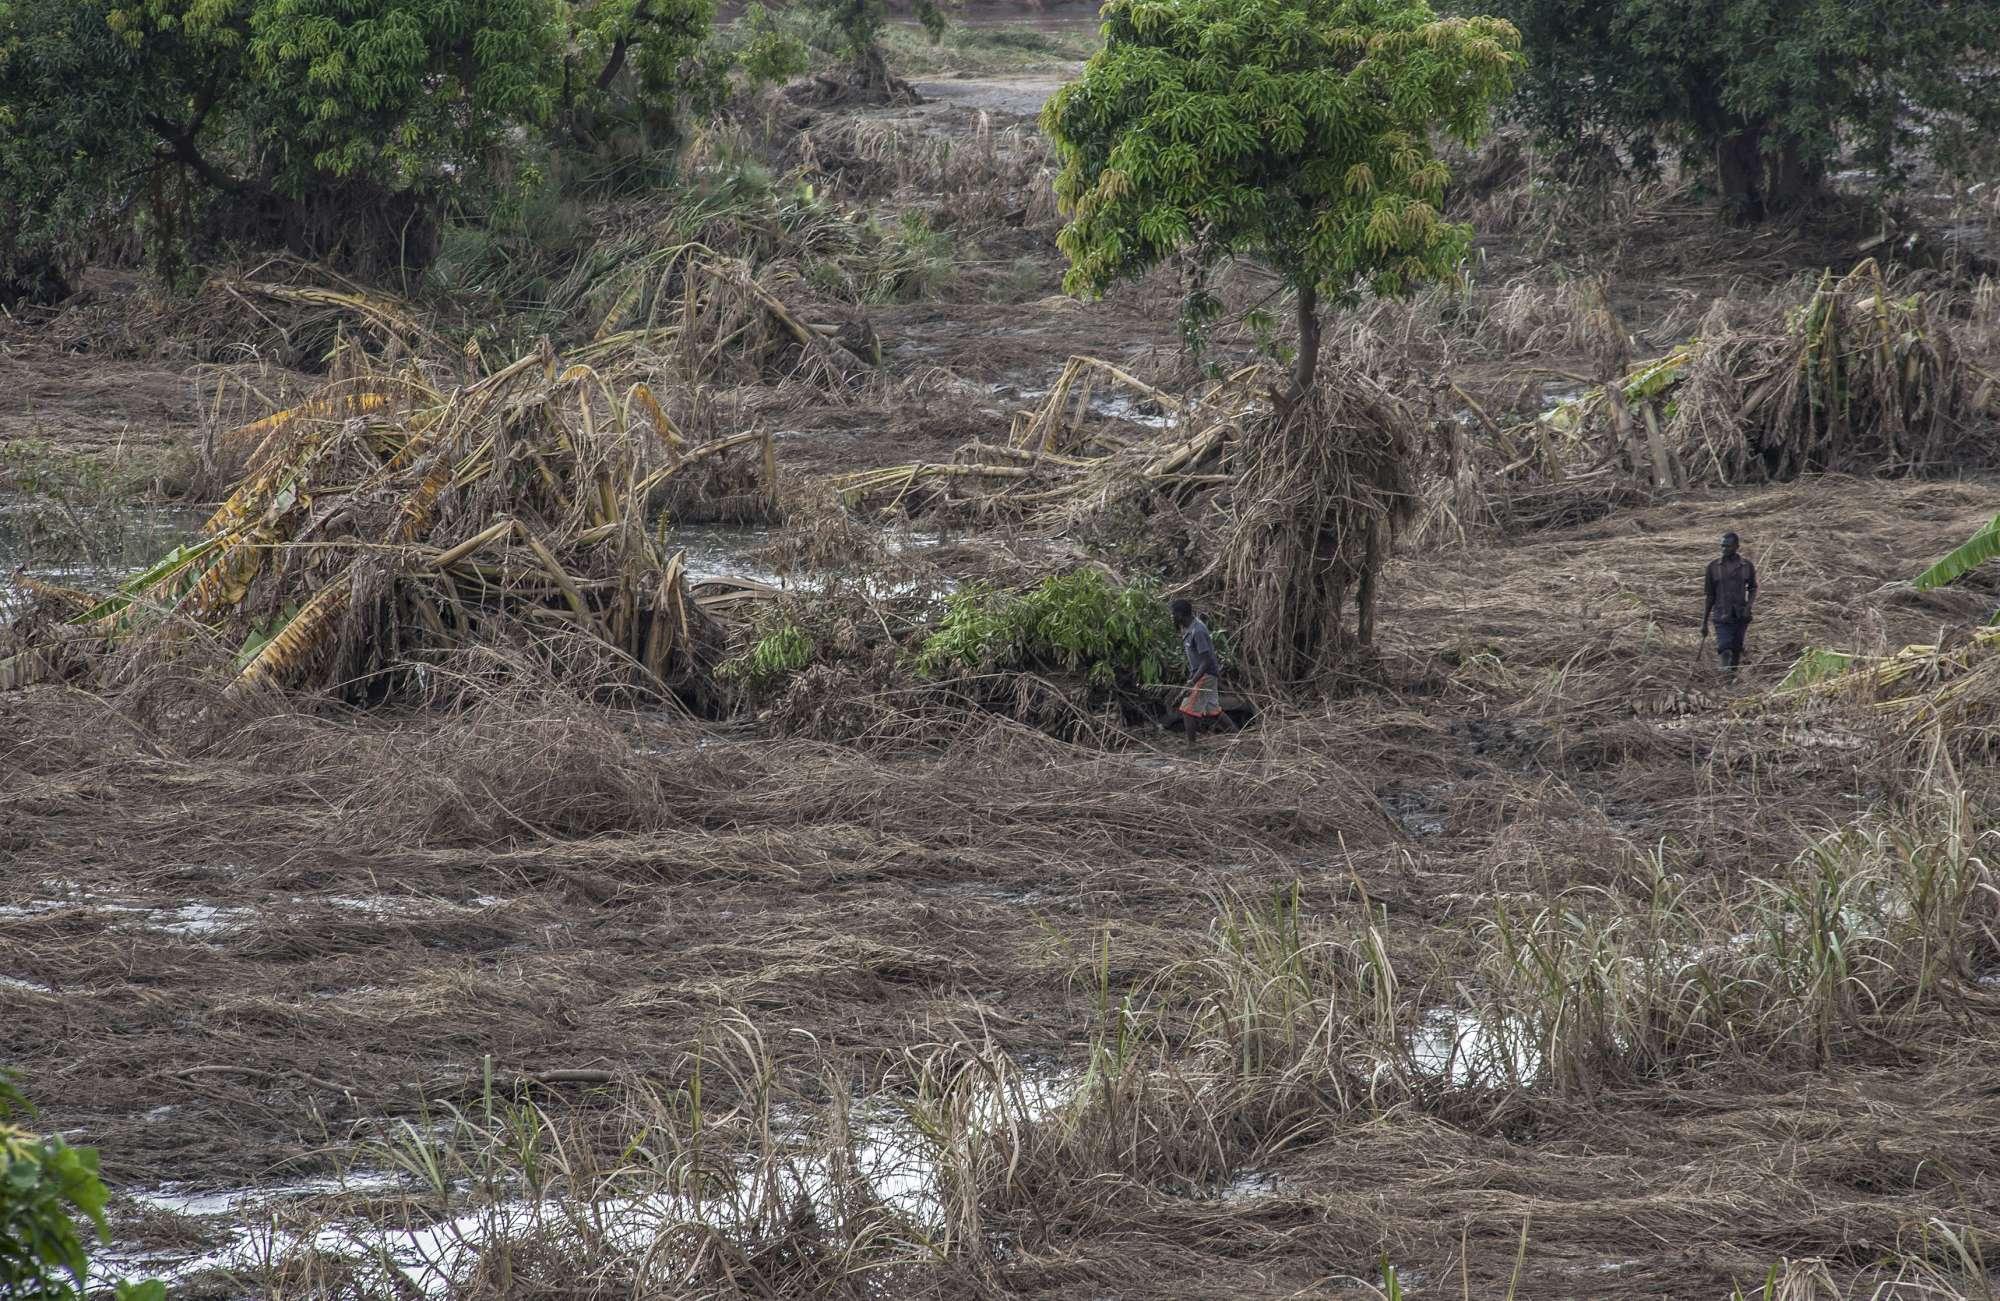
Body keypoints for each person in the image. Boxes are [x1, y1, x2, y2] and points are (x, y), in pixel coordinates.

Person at [1703, 531, 1758, 673]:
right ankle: (1724, 673)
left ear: (1736, 546)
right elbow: (1709, 596)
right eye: (1722, 546)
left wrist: (1748, 607)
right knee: (1724, 647)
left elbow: (1753, 588)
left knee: (1736, 648)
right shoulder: (1713, 567)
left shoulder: (1746, 566)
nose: (1724, 549)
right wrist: (1704, 623)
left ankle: (1731, 679)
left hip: (1741, 615)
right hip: (1721, 615)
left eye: (1727, 546)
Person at [1171, 598, 1224, 748]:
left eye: (1173, 614)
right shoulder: (1189, 628)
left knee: (1187, 710)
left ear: (1180, 614)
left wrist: (1192, 682)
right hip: (1204, 673)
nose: (1172, 617)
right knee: (1213, 710)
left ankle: (1191, 746)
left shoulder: (1198, 631)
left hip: (1205, 674)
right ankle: (1238, 735)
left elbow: (1206, 661)